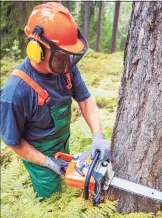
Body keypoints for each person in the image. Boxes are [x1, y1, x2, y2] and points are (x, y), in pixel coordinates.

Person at [0, 2, 110, 198]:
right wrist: (47, 162)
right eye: (62, 55)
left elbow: (85, 101)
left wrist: (98, 135)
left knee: (66, 187)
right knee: (51, 201)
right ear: (36, 49)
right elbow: (14, 142)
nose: (68, 61)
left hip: (62, 142)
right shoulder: (15, 93)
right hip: (37, 154)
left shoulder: (65, 68)